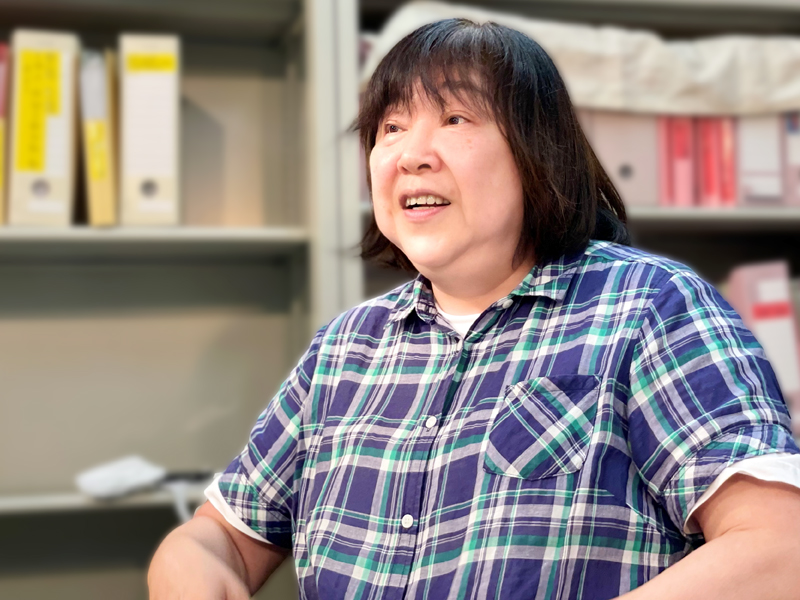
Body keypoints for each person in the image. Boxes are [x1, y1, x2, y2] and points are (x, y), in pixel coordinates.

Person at [148, 19, 800, 600]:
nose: (411, 154)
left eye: (455, 119)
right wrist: (191, 566)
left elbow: (780, 549)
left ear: (538, 150)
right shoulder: (344, 349)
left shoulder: (650, 305)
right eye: (391, 128)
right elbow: (219, 537)